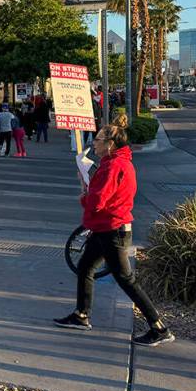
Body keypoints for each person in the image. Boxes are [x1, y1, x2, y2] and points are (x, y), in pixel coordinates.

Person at [54, 115, 175, 347]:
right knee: (85, 267)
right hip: (107, 228)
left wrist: (84, 194)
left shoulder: (113, 166)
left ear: (110, 144)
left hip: (112, 230)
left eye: (98, 140)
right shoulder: (117, 163)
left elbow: (97, 201)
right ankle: (81, 315)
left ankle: (158, 327)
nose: (94, 144)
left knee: (125, 279)